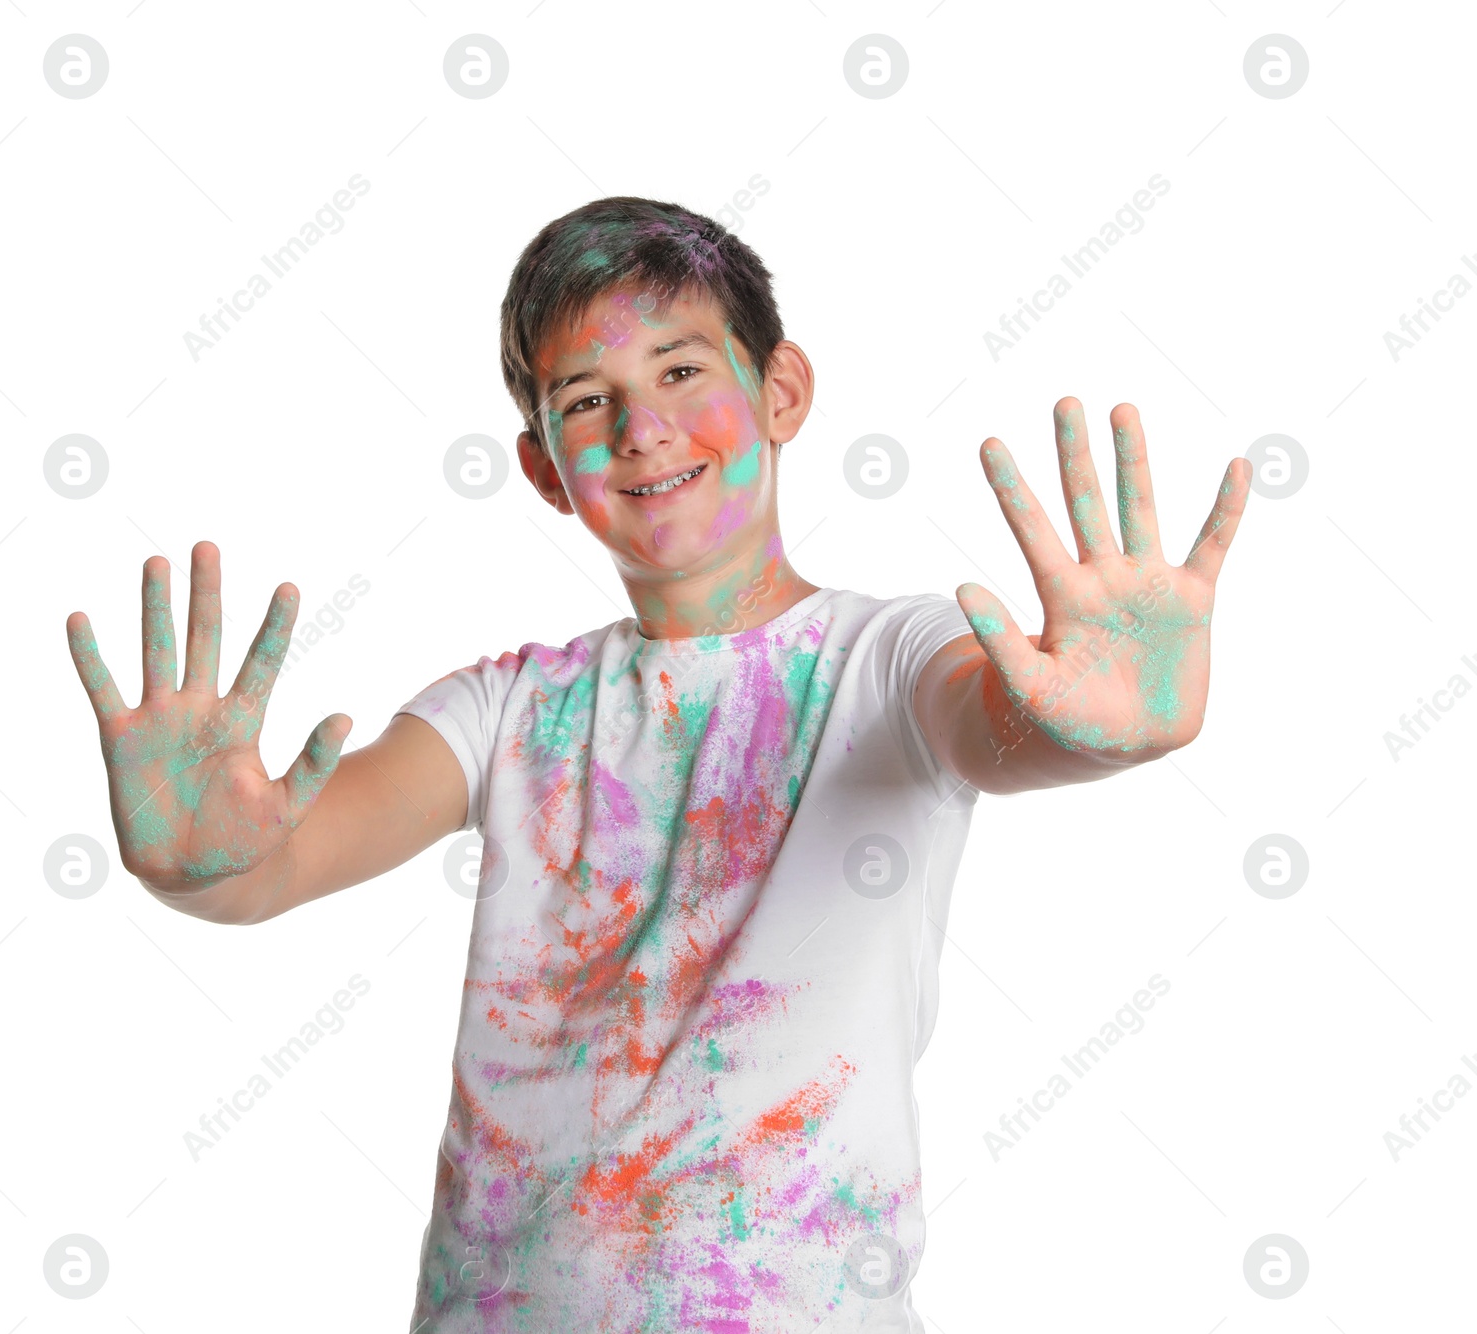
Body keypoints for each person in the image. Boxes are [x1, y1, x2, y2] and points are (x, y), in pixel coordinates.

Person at [65, 195, 1249, 1331]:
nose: (643, 428)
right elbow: (276, 861)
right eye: (587, 400)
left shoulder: (886, 659)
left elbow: (996, 723)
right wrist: (195, 866)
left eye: (681, 370)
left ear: (779, 389)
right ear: (543, 468)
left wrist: (1101, 727)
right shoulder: (508, 706)